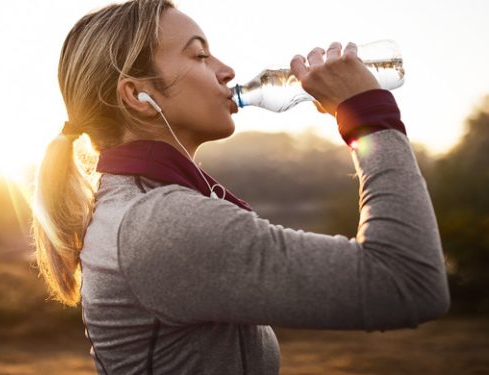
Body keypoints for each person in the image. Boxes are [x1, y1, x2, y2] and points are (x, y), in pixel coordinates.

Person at [32, 0, 450, 373]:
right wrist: (367, 114)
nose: (226, 70)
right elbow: (407, 281)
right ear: (139, 96)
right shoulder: (160, 223)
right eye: (199, 54)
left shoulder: (139, 207)